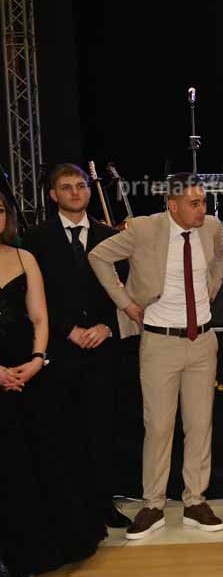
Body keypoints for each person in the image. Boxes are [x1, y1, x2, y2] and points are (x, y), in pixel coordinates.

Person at [89, 173, 223, 539]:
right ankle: (153, 504)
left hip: (203, 341)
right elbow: (98, 256)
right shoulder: (143, 228)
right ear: (173, 205)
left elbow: (222, 255)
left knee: (199, 425)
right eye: (194, 204)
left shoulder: (211, 227)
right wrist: (125, 303)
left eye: (204, 202)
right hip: (159, 342)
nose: (202, 209)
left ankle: (195, 500)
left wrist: (212, 288)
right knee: (159, 427)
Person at [0, 192, 106, 577]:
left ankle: (38, 551)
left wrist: (36, 359)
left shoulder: (24, 258)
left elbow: (40, 317)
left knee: (40, 458)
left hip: (29, 370)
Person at [22, 164, 131, 529]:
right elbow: (34, 294)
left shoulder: (109, 236)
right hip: (58, 348)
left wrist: (106, 326)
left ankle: (103, 504)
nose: (75, 192)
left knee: (102, 428)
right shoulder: (35, 239)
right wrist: (67, 330)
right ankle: (69, 509)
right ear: (53, 195)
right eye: (66, 187)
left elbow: (127, 289)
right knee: (62, 429)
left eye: (81, 186)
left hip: (103, 346)